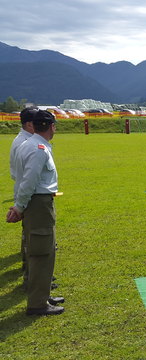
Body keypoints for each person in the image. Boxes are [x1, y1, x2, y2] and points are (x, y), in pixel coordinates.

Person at [7, 110, 64, 315]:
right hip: (38, 203)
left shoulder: (28, 144)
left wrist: (19, 205)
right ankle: (38, 303)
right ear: (51, 127)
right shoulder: (39, 148)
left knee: (39, 249)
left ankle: (42, 293)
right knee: (43, 252)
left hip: (34, 202)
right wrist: (19, 207)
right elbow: (29, 181)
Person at [10, 107, 37, 283]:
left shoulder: (26, 140)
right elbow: (23, 176)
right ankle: (33, 275)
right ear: (28, 124)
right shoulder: (25, 143)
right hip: (29, 195)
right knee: (33, 238)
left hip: (26, 193)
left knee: (30, 236)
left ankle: (34, 273)